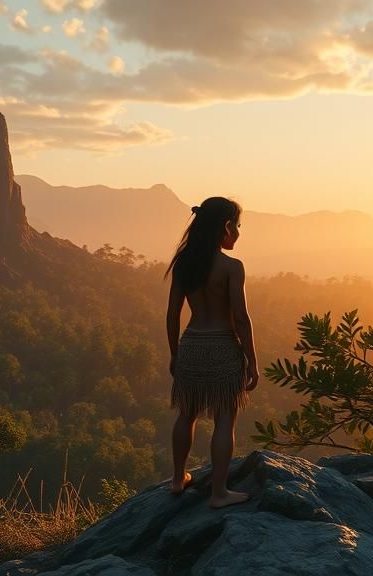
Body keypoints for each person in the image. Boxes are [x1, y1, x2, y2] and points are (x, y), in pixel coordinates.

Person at [164, 197, 259, 509]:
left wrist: (176, 354)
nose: (240, 233)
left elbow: (173, 315)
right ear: (227, 227)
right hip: (222, 348)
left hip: (191, 344)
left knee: (187, 413)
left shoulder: (184, 264)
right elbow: (241, 318)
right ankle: (219, 492)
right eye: (239, 226)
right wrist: (252, 361)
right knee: (224, 419)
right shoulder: (232, 267)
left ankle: (178, 479)